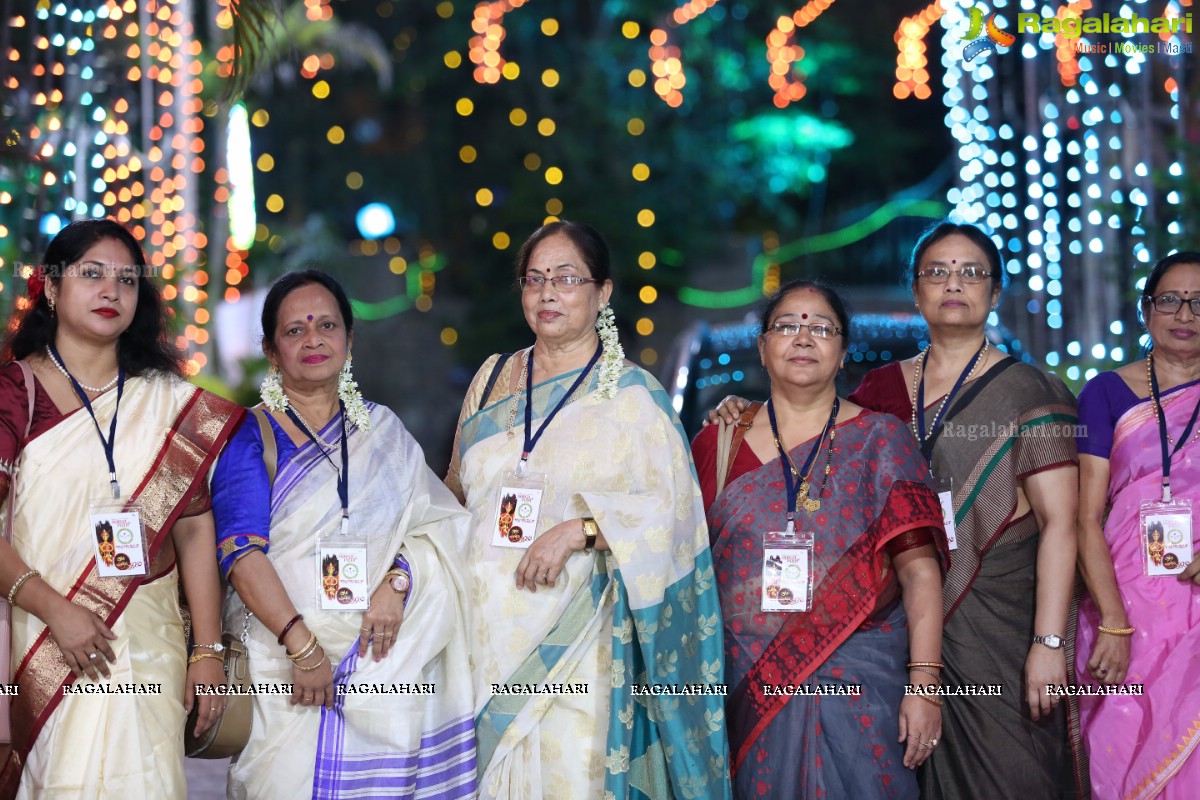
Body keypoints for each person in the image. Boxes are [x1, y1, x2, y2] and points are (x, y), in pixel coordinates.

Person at [707, 222, 1084, 798]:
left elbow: (1062, 523)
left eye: (970, 272)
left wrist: (1049, 643)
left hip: (994, 630)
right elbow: (810, 445)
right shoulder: (878, 390)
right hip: (879, 628)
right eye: (937, 271)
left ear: (996, 291)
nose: (953, 283)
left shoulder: (1033, 390)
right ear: (915, 290)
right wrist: (741, 408)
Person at [446, 221, 730, 798]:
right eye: (535, 279)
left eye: (567, 278)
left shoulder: (633, 397)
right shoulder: (493, 377)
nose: (547, 292)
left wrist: (582, 529)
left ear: (603, 294)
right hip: (478, 642)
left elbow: (674, 516)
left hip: (580, 651)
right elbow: (455, 492)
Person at [211, 270, 477, 799]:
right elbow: (241, 555)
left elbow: (435, 527)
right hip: (283, 670)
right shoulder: (249, 433)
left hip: (382, 665)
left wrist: (397, 582)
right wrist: (303, 648)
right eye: (294, 330)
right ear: (270, 349)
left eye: (327, 325)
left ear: (349, 340)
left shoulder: (385, 432)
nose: (313, 339)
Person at [0, 219, 243, 797]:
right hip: (45, 644)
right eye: (92, 274)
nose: (112, 290)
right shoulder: (14, 392)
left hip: (150, 648)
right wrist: (58, 612)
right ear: (52, 289)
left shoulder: (164, 401)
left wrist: (206, 652)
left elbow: (193, 529)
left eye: (127, 280)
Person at [691, 280, 948, 798]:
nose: (803, 337)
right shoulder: (716, 444)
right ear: (763, 348)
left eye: (821, 328)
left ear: (843, 351)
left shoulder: (882, 440)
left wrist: (925, 687)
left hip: (861, 686)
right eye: (787, 326)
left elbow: (920, 571)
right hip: (743, 689)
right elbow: (674, 561)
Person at [1075, 251, 1200, 798]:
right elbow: (1083, 517)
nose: (1185, 313)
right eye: (1170, 299)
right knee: (1121, 753)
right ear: (1147, 311)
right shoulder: (1105, 393)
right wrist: (1114, 623)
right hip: (1122, 603)